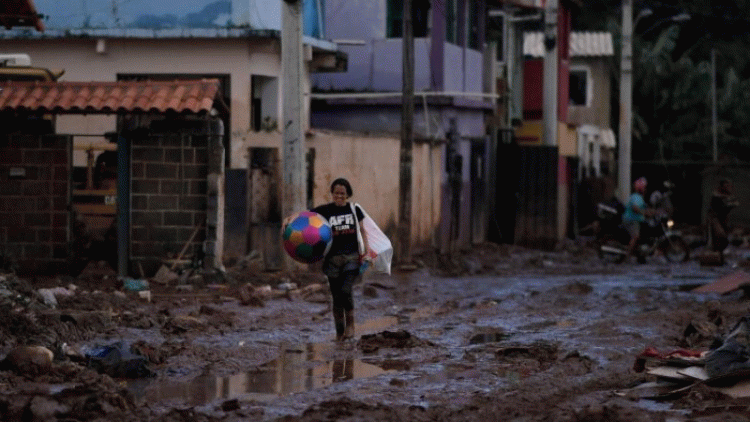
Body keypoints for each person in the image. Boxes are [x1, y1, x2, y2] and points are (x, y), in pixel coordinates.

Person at [285, 178, 370, 341]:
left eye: (343, 193)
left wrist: (366, 251)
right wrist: (288, 220)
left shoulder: (354, 209)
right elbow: (305, 215)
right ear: (332, 194)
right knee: (336, 297)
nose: (339, 196)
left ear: (348, 194)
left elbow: (363, 230)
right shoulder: (325, 210)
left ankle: (350, 324)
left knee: (346, 290)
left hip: (351, 257)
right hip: (332, 259)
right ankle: (339, 332)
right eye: (336, 193)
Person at [707, 178, 739, 262]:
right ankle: (717, 256)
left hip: (723, 218)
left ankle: (720, 256)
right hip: (715, 219)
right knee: (719, 236)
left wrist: (732, 204)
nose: (729, 187)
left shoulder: (727, 195)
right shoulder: (717, 196)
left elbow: (732, 203)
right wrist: (730, 205)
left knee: (723, 237)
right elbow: (719, 208)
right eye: (726, 185)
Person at [622, 177, 651, 263]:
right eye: (644, 187)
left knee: (641, 237)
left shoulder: (640, 198)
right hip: (631, 220)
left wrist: (655, 212)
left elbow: (645, 208)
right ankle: (627, 256)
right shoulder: (636, 197)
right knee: (635, 237)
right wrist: (645, 213)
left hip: (637, 221)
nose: (645, 189)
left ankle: (640, 256)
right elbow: (635, 208)